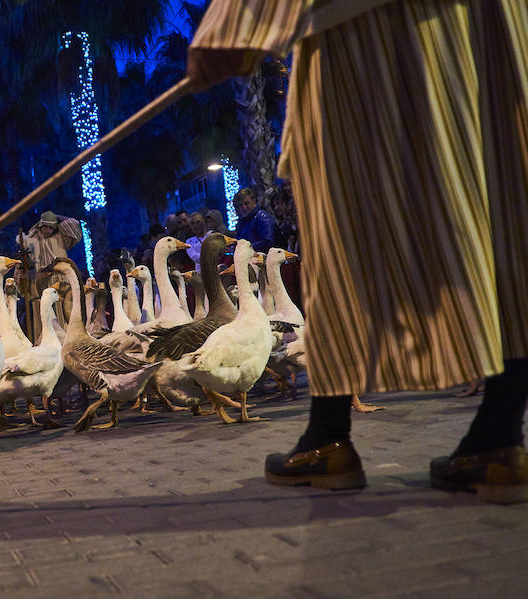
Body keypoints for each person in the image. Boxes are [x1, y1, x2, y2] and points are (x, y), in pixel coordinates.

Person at [186, 0, 528, 502]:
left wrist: (232, 27)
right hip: (493, 25)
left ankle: (328, 435)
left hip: (379, 32)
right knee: (507, 209)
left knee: (341, 226)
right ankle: (500, 435)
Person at [15, 210, 81, 338]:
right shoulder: (30, 242)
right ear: (40, 225)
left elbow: (73, 225)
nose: (48, 229)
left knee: (66, 324)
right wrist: (23, 275)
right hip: (40, 290)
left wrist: (55, 216)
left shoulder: (60, 239)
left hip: (62, 288)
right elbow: (22, 263)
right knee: (44, 328)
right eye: (45, 226)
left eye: (51, 227)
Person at [231, 188, 276, 253]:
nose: (244, 207)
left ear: (254, 200)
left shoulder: (262, 217)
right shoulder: (242, 221)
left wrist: (246, 248)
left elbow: (267, 242)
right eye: (240, 205)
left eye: (246, 203)